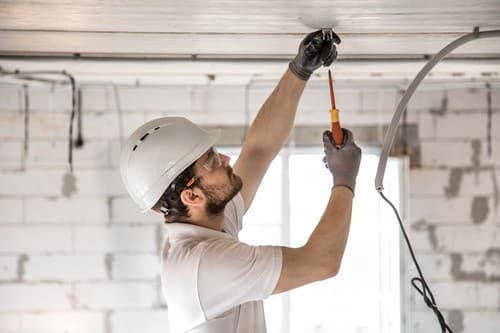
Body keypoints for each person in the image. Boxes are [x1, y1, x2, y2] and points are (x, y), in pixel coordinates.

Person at [120, 30, 362, 333]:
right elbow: (322, 261)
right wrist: (345, 179)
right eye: (210, 162)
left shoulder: (207, 224)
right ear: (191, 196)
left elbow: (258, 151)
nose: (226, 161)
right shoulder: (205, 265)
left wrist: (300, 70)